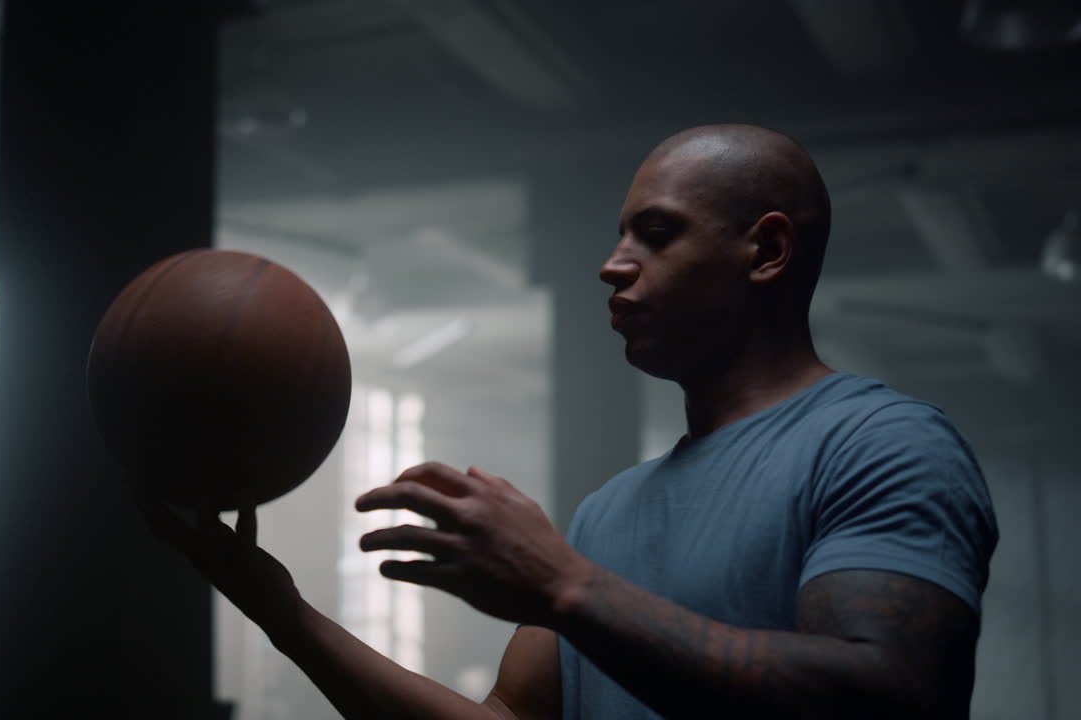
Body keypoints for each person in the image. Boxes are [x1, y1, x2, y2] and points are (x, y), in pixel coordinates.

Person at [139, 123, 998, 719]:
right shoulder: (608, 513)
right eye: (622, 235)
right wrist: (280, 612)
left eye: (656, 235)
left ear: (767, 251)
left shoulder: (880, 444)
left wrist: (563, 584)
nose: (612, 265)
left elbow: (891, 700)